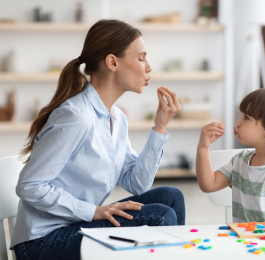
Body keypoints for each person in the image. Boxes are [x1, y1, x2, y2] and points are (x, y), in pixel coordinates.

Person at [11, 19, 185, 260]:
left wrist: (160, 127)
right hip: (42, 242)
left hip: (76, 227)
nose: (149, 68)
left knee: (171, 198)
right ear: (112, 62)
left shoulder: (117, 118)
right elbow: (29, 186)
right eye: (141, 58)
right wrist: (93, 211)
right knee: (160, 216)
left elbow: (137, 184)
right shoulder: (76, 116)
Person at [196, 88, 265, 223]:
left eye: (246, 117)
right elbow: (209, 184)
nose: (238, 122)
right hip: (240, 240)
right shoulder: (240, 160)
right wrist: (203, 147)